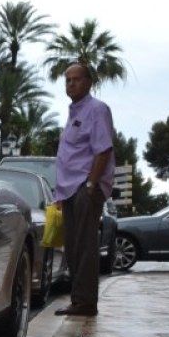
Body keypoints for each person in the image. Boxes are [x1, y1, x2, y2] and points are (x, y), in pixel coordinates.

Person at [53, 62, 115, 317]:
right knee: (72, 246)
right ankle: (79, 300)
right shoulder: (73, 112)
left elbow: (103, 148)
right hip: (68, 189)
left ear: (89, 82)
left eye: (76, 79)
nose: (71, 83)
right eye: (67, 80)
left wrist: (91, 184)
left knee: (85, 245)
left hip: (84, 187)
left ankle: (86, 302)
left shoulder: (97, 109)